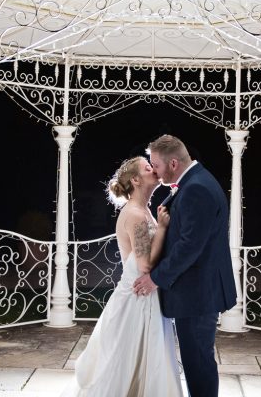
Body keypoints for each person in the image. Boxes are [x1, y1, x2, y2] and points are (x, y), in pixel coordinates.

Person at [60, 156, 184, 397]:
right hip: (136, 300)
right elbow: (145, 264)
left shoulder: (144, 209)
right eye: (148, 168)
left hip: (143, 295)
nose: (154, 170)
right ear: (136, 180)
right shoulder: (136, 214)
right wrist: (162, 228)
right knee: (125, 361)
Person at [133, 134, 237, 397]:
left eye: (156, 165)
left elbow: (189, 247)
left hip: (197, 293)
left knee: (197, 361)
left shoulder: (196, 188)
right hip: (198, 290)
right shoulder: (194, 181)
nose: (154, 171)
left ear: (174, 164)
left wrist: (155, 278)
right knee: (196, 358)